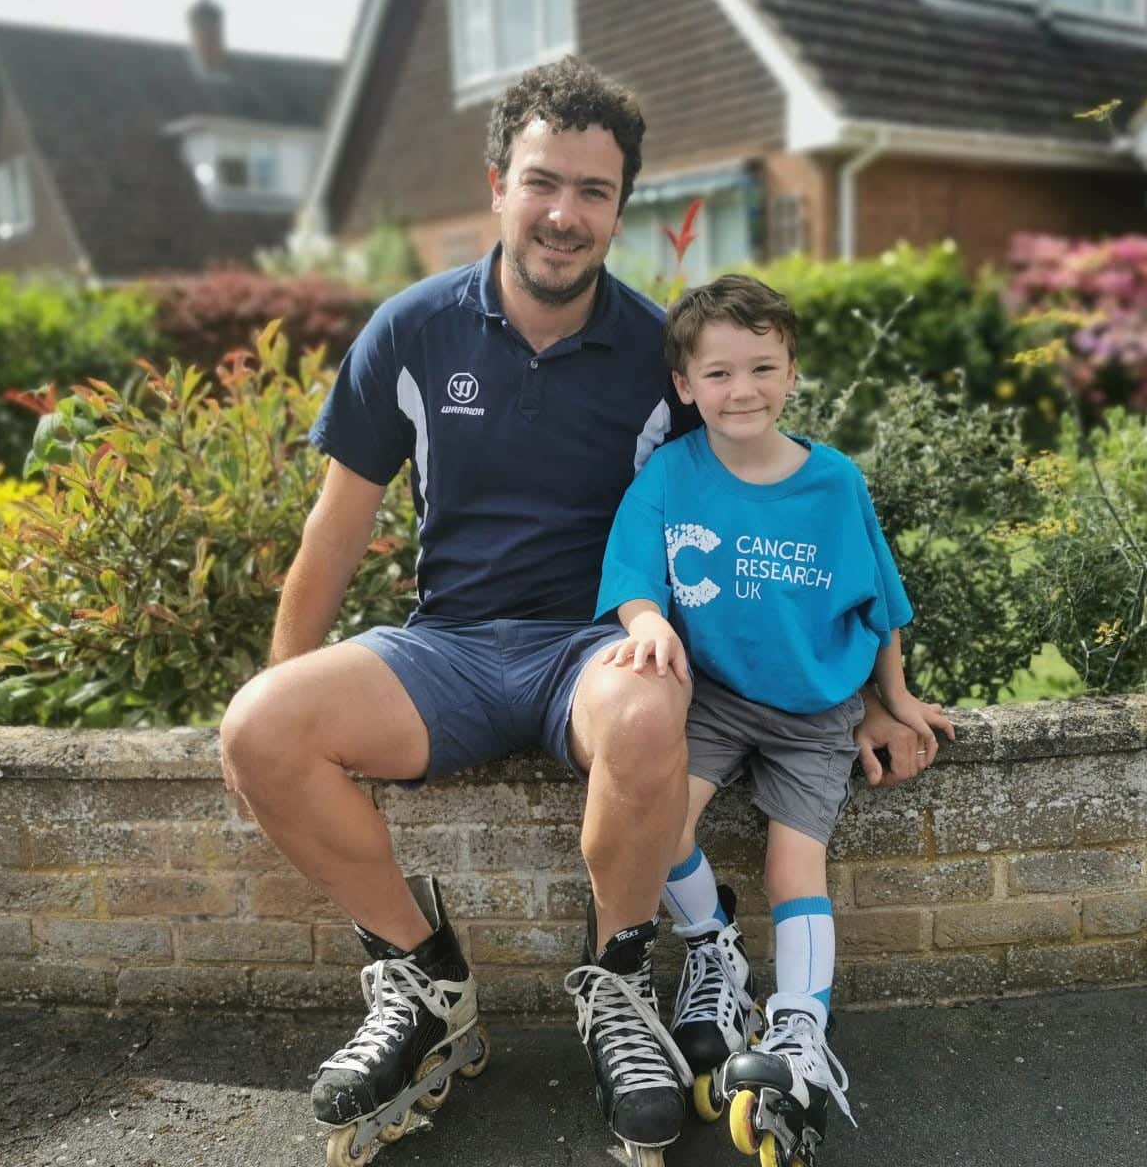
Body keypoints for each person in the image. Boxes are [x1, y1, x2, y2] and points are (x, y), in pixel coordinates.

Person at [218, 56, 949, 1167]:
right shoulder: (411, 331)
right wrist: (281, 676)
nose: (565, 214)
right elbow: (337, 531)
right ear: (498, 184)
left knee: (654, 711)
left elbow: (784, 517)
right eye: (543, 182)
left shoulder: (663, 357)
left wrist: (857, 688)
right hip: (447, 648)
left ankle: (618, 985)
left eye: (594, 192)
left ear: (623, 208)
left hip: (597, 647)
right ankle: (426, 981)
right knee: (260, 728)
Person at [594, 274, 954, 1165]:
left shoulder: (833, 484)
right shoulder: (672, 475)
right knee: (662, 822)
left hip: (811, 714)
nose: (741, 389)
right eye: (717, 374)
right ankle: (713, 946)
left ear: (792, 372)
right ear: (684, 386)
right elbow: (635, 576)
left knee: (797, 864)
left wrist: (893, 701)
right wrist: (646, 627)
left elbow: (882, 607)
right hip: (713, 695)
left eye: (762, 367)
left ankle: (799, 1034)